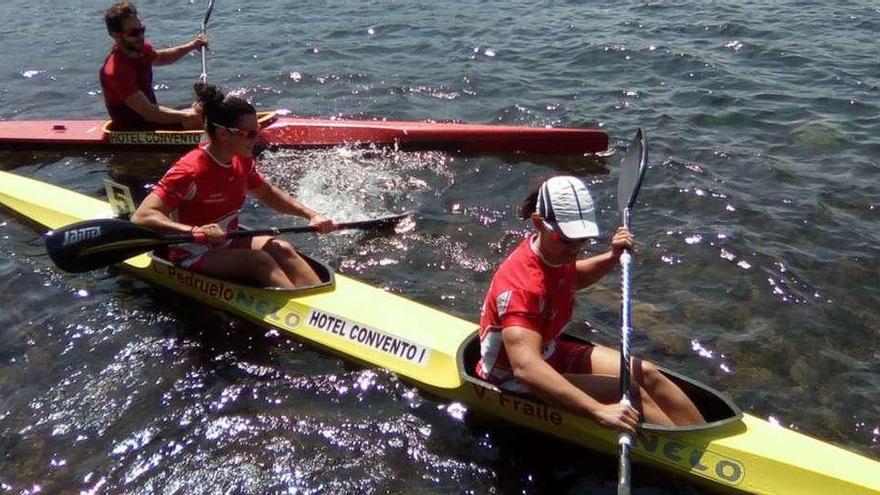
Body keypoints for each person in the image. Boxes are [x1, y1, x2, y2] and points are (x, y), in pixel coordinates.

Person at [477, 175, 705, 435]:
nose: (575, 248)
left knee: (646, 372)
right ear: (539, 223)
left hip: (548, 352)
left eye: (581, 240)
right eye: (567, 240)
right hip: (515, 380)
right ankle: (688, 458)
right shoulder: (521, 287)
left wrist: (612, 257)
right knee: (628, 390)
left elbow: (571, 277)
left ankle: (702, 438)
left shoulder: (553, 253)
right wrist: (598, 411)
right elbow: (525, 369)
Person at [131, 83, 336, 288]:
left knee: (282, 248)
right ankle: (298, 312)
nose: (257, 139)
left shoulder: (242, 160)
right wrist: (193, 230)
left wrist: (311, 215)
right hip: (192, 252)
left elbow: (268, 193)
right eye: (250, 134)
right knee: (259, 262)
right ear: (223, 134)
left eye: (258, 131)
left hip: (228, 240)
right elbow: (142, 216)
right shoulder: (189, 171)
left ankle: (321, 303)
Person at [101, 1, 207, 131]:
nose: (140, 36)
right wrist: (191, 114)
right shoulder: (117, 71)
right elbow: (150, 113)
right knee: (197, 121)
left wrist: (192, 45)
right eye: (133, 33)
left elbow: (161, 58)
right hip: (132, 127)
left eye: (142, 30)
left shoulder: (141, 49)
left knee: (205, 109)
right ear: (116, 35)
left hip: (148, 116)